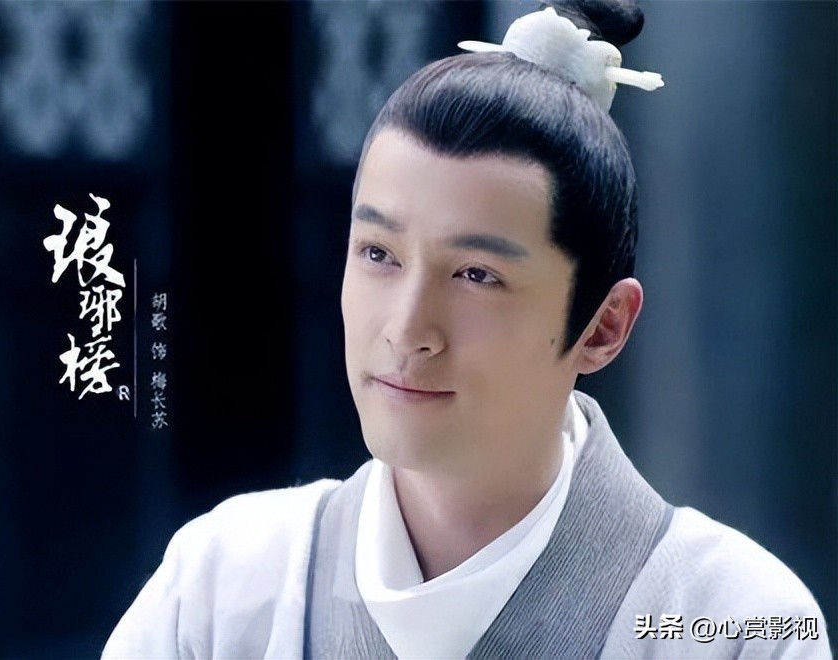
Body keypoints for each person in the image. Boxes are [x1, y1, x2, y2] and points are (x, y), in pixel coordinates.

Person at [102, 2, 832, 657]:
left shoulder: (733, 622)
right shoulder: (220, 587)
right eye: (378, 254)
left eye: (477, 274)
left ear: (603, 327)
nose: (407, 330)